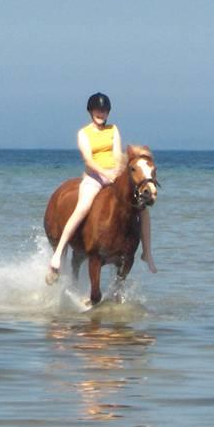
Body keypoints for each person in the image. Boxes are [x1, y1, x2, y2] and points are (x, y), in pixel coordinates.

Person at [46, 92, 157, 284]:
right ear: (90, 111)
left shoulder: (113, 130)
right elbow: (88, 160)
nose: (101, 113)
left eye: (104, 110)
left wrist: (117, 172)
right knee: (83, 206)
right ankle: (58, 252)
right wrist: (104, 174)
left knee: (142, 208)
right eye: (98, 110)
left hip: (113, 175)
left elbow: (116, 153)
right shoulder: (84, 133)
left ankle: (147, 253)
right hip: (94, 177)